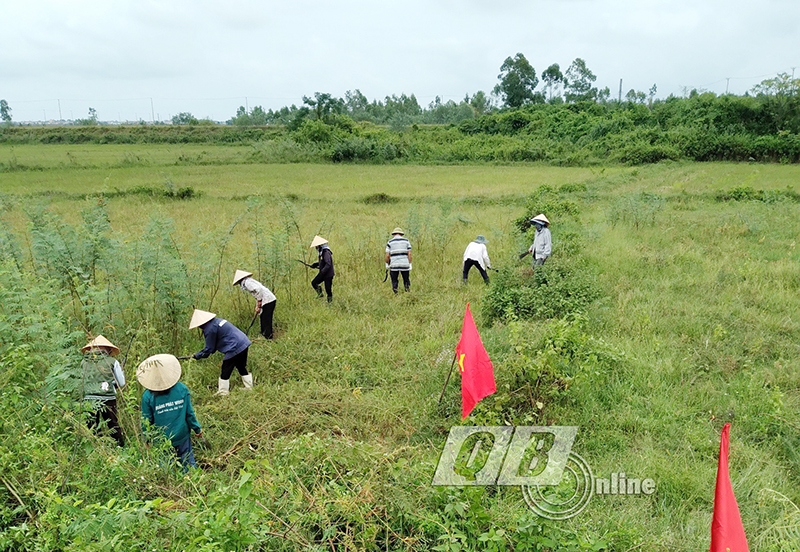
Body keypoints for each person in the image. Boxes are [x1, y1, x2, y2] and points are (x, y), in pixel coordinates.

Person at [137, 354, 202, 471]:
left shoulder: (148, 396)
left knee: (166, 467)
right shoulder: (182, 389)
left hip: (161, 440)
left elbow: (146, 420)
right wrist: (197, 429)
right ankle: (193, 483)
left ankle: (170, 486)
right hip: (181, 435)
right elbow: (190, 414)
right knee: (187, 462)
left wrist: (147, 439)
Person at [189, 309, 253, 395]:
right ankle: (249, 387)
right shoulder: (217, 321)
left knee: (225, 369)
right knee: (240, 365)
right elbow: (214, 346)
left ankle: (223, 392)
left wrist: (198, 355)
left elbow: (209, 348)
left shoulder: (209, 329)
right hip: (243, 342)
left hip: (234, 346)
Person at [81, 335, 126, 447]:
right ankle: (120, 447)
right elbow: (121, 383)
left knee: (92, 426)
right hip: (108, 398)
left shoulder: (84, 362)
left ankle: (96, 448)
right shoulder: (112, 361)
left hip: (89, 399)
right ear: (107, 349)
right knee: (112, 424)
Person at [232, 270, 276, 339]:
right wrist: (258, 306)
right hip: (267, 300)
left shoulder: (247, 283)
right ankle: (264, 334)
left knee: (266, 319)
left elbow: (259, 290)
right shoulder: (248, 281)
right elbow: (256, 293)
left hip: (268, 300)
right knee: (263, 317)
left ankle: (268, 337)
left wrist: (259, 302)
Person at [385, 227, 412, 293]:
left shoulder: (390, 242)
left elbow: (387, 255)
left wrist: (387, 264)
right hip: (405, 264)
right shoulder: (406, 241)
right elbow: (409, 253)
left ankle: (395, 293)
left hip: (394, 264)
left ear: (394, 234)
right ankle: (407, 292)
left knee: (394, 280)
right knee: (406, 279)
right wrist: (410, 263)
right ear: (401, 234)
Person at [309, 235, 334, 302]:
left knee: (328, 289)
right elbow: (324, 262)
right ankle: (320, 294)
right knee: (314, 283)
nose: (316, 247)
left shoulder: (326, 252)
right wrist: (315, 264)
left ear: (319, 245)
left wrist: (322, 272)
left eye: (316, 246)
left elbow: (328, 264)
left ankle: (329, 302)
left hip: (328, 274)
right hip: (324, 273)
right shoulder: (322, 252)